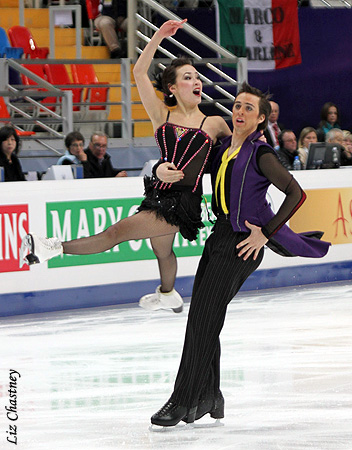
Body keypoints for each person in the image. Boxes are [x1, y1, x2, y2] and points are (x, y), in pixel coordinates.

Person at [19, 19, 231, 314]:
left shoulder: (215, 123)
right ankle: (168, 293)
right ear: (171, 87)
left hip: (182, 202)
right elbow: (139, 71)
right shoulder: (162, 114)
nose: (197, 82)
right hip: (158, 193)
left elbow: (235, 157)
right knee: (162, 250)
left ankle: (51, 248)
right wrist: (158, 35)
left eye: (197, 77)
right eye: (188, 77)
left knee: (115, 233)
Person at [150, 82, 330, 428]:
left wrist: (266, 233)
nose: (240, 112)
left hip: (242, 245)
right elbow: (186, 169)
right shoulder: (222, 149)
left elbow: (295, 193)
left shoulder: (261, 153)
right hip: (219, 237)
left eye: (249, 108)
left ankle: (184, 400)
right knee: (204, 318)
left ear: (261, 119)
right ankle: (209, 397)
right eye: (237, 105)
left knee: (203, 318)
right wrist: (159, 170)